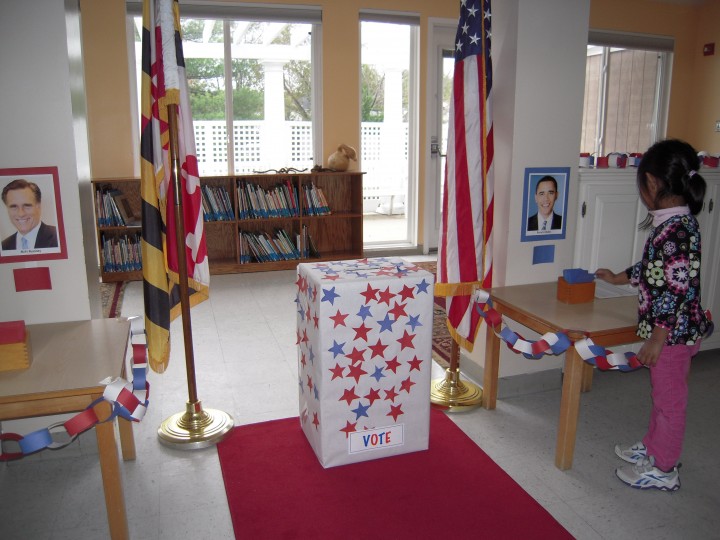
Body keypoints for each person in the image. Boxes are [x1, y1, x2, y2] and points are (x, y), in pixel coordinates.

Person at [595, 139, 711, 492]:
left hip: (672, 336)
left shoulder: (675, 230)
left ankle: (664, 468)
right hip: (673, 332)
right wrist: (620, 276)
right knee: (662, 396)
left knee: (670, 402)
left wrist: (658, 337)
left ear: (652, 184)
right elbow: (653, 269)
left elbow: (677, 288)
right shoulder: (672, 223)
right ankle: (652, 445)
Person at [1, 179, 58, 251]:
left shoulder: (57, 237)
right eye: (14, 206)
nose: (21, 214)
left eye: (27, 206)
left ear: (39, 206)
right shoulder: (4, 246)